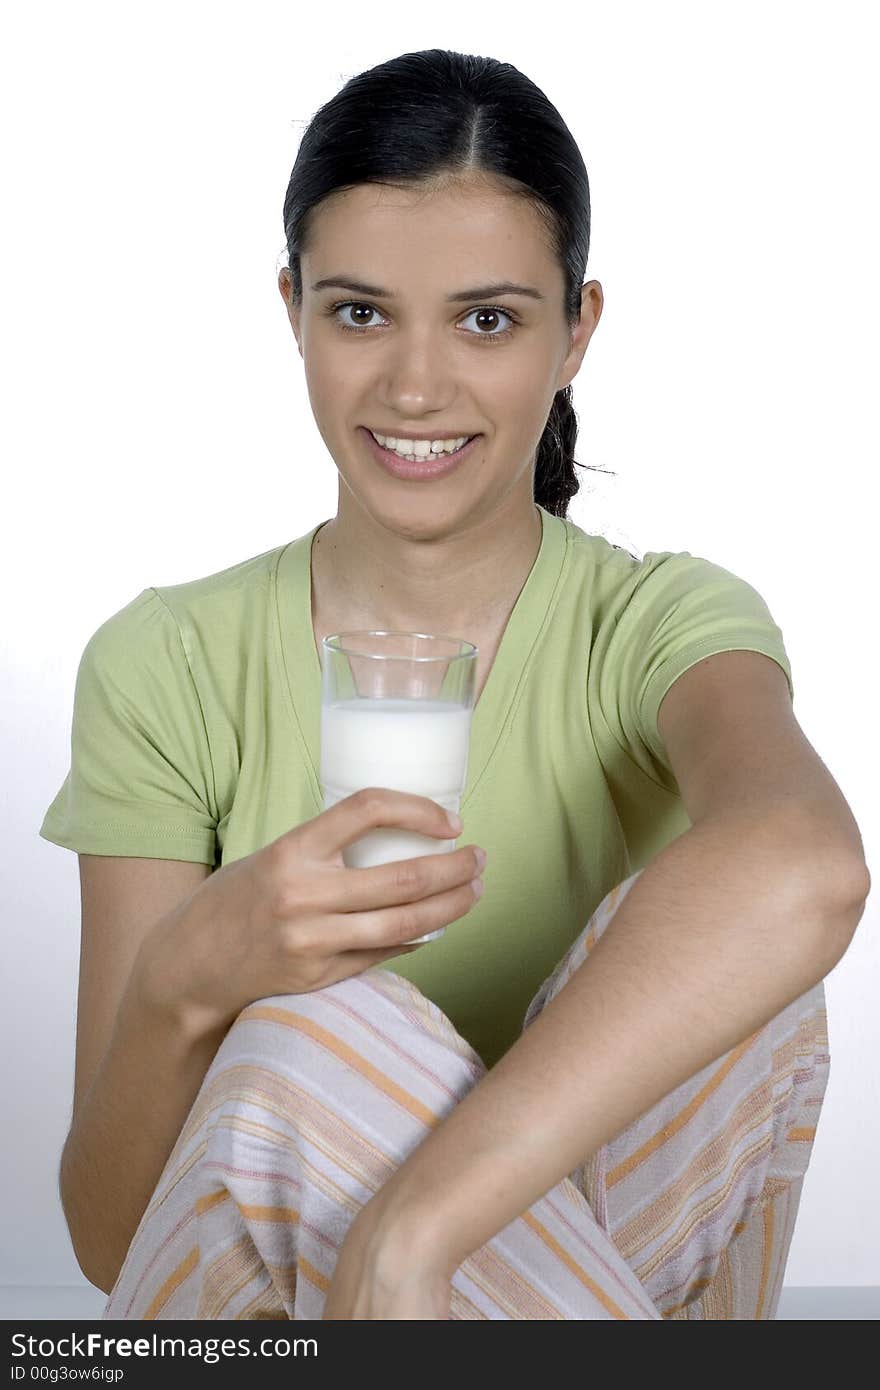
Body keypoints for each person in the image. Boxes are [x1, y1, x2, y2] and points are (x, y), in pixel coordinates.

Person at [40, 49, 864, 1319]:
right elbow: (109, 1242)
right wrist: (190, 976)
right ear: (293, 309)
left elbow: (807, 870)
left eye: (487, 319)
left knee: (754, 978)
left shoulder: (659, 623)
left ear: (576, 330)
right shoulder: (169, 662)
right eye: (359, 312)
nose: (415, 387)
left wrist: (416, 1236)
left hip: (539, 1261)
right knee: (318, 1035)